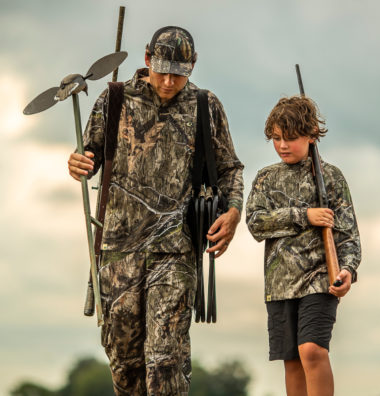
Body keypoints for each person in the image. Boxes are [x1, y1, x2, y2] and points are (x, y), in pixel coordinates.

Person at [67, 26, 244, 395]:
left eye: (178, 73)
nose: (167, 80)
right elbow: (89, 156)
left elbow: (230, 169)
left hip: (176, 252)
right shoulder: (112, 100)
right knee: (125, 360)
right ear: (147, 58)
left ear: (192, 66)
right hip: (117, 251)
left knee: (165, 360)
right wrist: (78, 163)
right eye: (161, 69)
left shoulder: (205, 106)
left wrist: (233, 212)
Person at [246, 96, 361, 396]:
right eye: (276, 138)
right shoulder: (265, 178)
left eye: (291, 138)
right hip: (279, 285)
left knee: (312, 350)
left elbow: (348, 235)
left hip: (319, 280)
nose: (283, 145)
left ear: (312, 136)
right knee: (292, 361)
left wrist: (347, 270)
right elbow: (255, 222)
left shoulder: (332, 177)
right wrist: (304, 216)